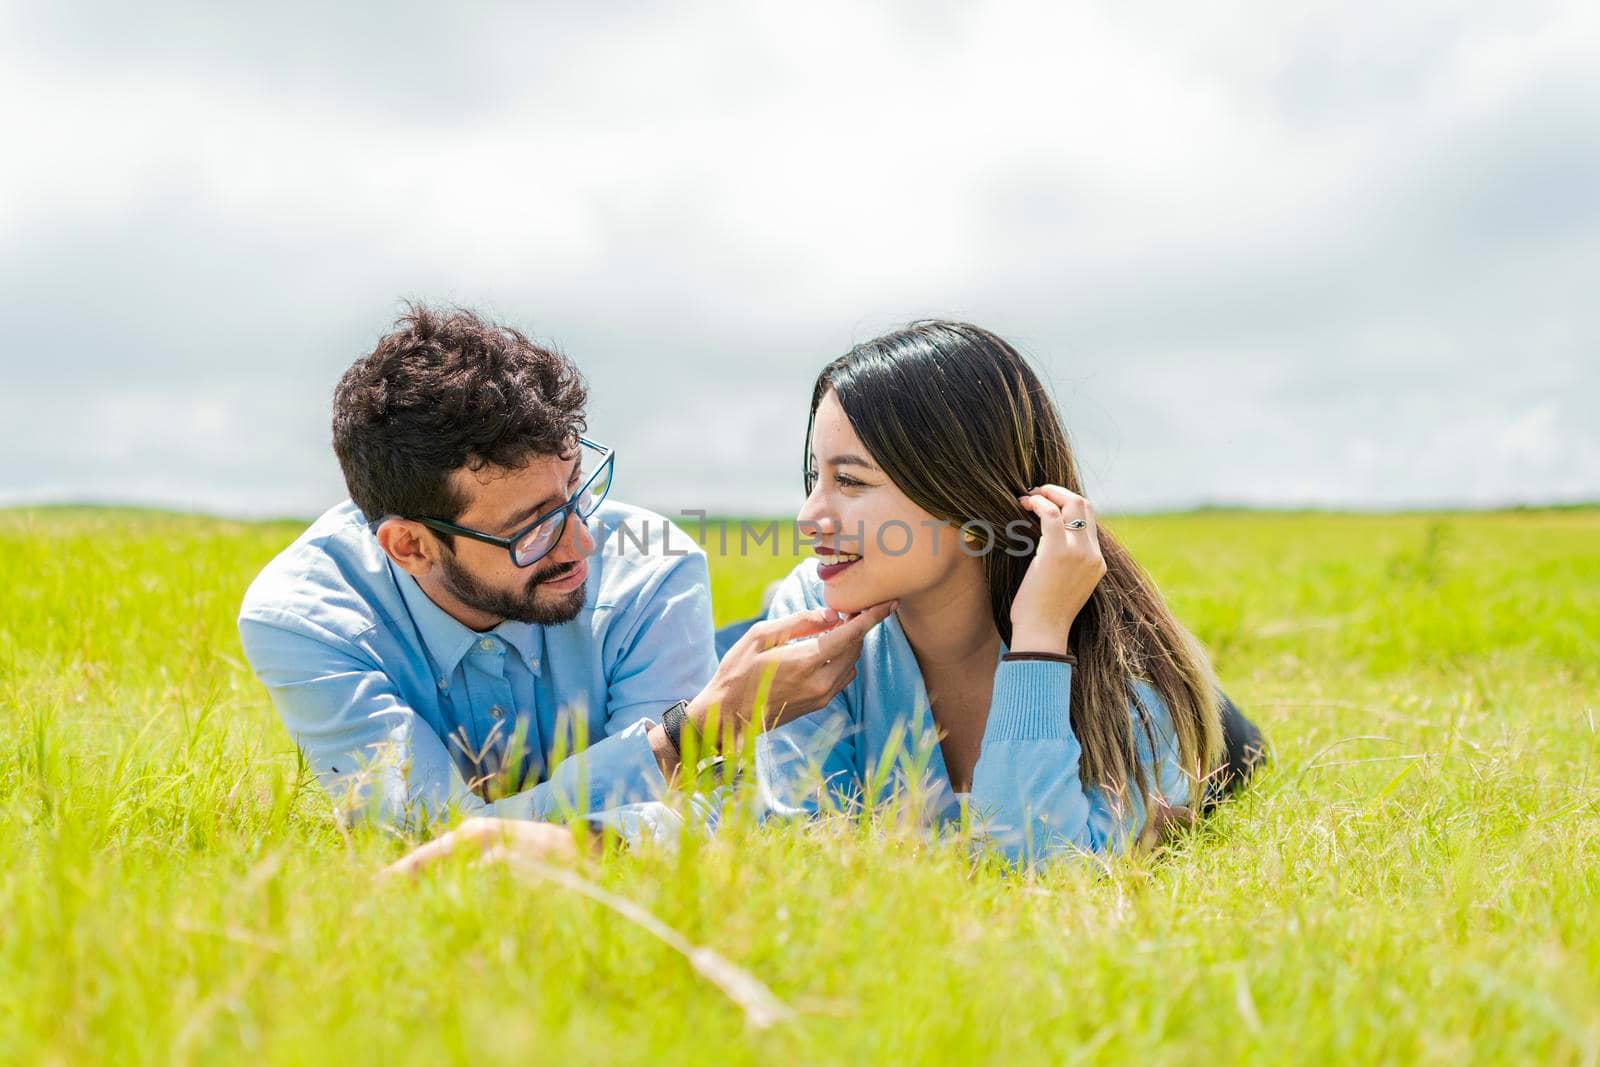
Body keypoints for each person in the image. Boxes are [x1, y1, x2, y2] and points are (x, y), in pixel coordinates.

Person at [237, 304, 893, 833]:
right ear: (410, 546)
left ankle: (778, 602)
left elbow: (685, 822)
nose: (583, 541)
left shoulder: (649, 570)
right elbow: (435, 844)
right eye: (532, 526)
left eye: (578, 488)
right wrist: (682, 736)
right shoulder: (303, 620)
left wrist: (515, 835)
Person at [754, 321, 1266, 865]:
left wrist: (1040, 641)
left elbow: (1039, 867)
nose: (807, 518)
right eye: (815, 479)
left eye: (851, 481)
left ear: (962, 488)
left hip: (1212, 735)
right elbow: (799, 847)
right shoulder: (810, 606)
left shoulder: (1130, 677)